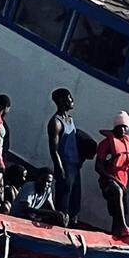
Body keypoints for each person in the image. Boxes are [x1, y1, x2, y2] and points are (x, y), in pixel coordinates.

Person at [47, 88, 83, 225]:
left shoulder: (70, 119)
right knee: (64, 199)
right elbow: (53, 149)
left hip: (74, 164)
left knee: (75, 198)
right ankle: (59, 225)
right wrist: (59, 168)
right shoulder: (55, 122)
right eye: (69, 97)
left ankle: (72, 224)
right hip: (65, 165)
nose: (72, 100)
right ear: (62, 100)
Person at [96, 111, 129, 238]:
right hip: (109, 182)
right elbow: (98, 167)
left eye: (126, 127)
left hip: (123, 181)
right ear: (115, 126)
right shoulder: (106, 143)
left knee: (118, 210)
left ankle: (116, 235)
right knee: (116, 191)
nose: (123, 130)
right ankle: (124, 226)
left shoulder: (127, 141)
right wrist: (114, 180)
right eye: (121, 126)